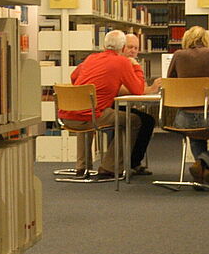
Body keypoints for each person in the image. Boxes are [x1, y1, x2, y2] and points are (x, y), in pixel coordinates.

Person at [58, 29, 144, 178]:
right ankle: (109, 167)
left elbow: (73, 77)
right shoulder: (122, 62)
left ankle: (82, 167)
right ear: (123, 47)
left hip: (66, 115)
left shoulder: (90, 58)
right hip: (92, 117)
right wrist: (136, 66)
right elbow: (138, 90)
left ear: (104, 46)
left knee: (85, 111)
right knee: (133, 120)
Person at [166, 26, 209, 190]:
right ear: (206, 40)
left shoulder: (178, 55)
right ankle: (203, 164)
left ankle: (200, 176)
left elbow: (170, 83)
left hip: (184, 118)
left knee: (195, 135)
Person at [118, 33, 157, 175]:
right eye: (130, 47)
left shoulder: (133, 64)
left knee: (147, 120)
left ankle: (134, 162)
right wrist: (148, 89)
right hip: (111, 106)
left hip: (124, 105)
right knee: (145, 121)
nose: (133, 51)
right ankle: (132, 162)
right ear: (121, 47)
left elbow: (140, 87)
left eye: (136, 48)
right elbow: (124, 89)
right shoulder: (119, 63)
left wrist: (149, 89)